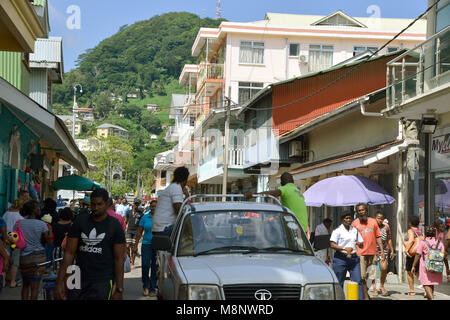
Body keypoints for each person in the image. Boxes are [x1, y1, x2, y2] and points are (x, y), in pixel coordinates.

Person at [55, 188, 126, 300]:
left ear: (107, 203)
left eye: (99, 204)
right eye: (93, 204)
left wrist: (119, 289)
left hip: (103, 280)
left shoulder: (115, 226)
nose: (96, 208)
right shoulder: (80, 221)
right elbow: (69, 253)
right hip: (77, 276)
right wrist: (59, 282)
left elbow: (119, 259)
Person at [17, 200, 52, 300]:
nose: (39, 209)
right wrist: (49, 231)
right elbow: (49, 242)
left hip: (24, 258)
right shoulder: (42, 224)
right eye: (37, 208)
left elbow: (15, 239)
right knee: (35, 288)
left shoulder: (19, 223)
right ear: (33, 211)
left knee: (25, 285)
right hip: (38, 259)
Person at [351, 203, 385, 300]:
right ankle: (365, 296)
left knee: (372, 276)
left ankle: (364, 293)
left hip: (373, 253)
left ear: (366, 210)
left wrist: (382, 251)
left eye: (363, 210)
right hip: (360, 253)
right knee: (362, 277)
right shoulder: (355, 223)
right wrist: (357, 242)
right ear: (357, 212)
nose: (361, 212)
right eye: (359, 211)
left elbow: (378, 236)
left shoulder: (373, 221)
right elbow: (351, 238)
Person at [330, 212, 364, 300]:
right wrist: (344, 248)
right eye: (346, 218)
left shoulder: (354, 230)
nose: (348, 220)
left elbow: (361, 244)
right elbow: (332, 245)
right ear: (342, 220)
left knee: (358, 281)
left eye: (350, 218)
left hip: (353, 259)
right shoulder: (337, 231)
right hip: (341, 258)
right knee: (339, 281)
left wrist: (359, 244)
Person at [152, 166, 190, 238]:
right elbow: (179, 210)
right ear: (185, 179)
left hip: (160, 227)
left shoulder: (172, 187)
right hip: (164, 228)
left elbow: (181, 207)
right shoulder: (176, 187)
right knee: (193, 229)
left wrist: (187, 196)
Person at [411, 226, 445, 300]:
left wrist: (413, 266)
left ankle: (432, 299)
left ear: (425, 233)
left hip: (425, 267)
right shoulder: (440, 243)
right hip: (437, 266)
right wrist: (446, 267)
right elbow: (443, 255)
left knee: (426, 284)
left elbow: (418, 254)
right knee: (431, 284)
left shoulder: (423, 243)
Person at [134, 200, 157, 297]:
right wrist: (135, 245)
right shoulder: (145, 217)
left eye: (155, 206)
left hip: (158, 245)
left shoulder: (161, 218)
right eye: (152, 206)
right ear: (149, 207)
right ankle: (145, 286)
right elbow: (139, 231)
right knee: (145, 265)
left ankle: (152, 289)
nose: (153, 208)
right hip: (146, 244)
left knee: (155, 268)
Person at [371, 212, 395, 296]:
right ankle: (374, 288)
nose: (380, 220)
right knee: (373, 270)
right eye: (378, 218)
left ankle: (381, 285)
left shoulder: (386, 227)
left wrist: (392, 250)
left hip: (383, 250)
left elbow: (389, 239)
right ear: (375, 218)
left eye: (381, 218)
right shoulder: (372, 227)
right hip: (372, 250)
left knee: (384, 268)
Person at [2, 200, 24, 288]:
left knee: (4, 259)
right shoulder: (20, 217)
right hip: (16, 240)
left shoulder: (6, 214)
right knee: (15, 261)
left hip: (6, 238)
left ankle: (3, 282)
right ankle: (12, 281)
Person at [404, 215, 423, 296]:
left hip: (412, 254)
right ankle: (426, 289)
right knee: (418, 272)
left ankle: (412, 291)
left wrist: (406, 250)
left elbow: (411, 240)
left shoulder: (410, 231)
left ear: (410, 223)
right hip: (419, 254)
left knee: (409, 272)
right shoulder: (420, 232)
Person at [52, 208, 73, 272]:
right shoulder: (72, 225)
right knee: (69, 270)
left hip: (57, 249)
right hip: (69, 250)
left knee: (58, 270)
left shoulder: (55, 225)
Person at [125, 199, 144, 269]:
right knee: (127, 247)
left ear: (139, 205)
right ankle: (129, 258)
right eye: (135, 203)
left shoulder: (141, 213)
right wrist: (124, 229)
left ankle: (132, 263)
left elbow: (142, 225)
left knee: (134, 248)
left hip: (136, 232)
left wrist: (141, 234)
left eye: (137, 204)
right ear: (133, 203)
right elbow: (125, 221)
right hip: (129, 231)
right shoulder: (128, 212)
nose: (136, 205)